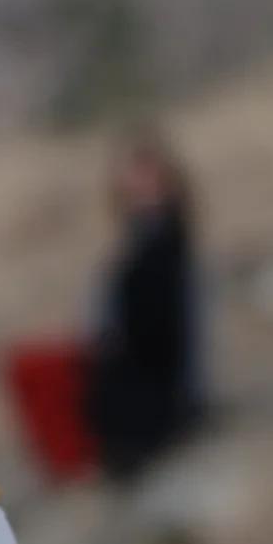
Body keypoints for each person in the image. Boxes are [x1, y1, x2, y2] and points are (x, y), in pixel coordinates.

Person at [85, 127, 206, 481]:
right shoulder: (135, 240)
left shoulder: (170, 245)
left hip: (154, 383)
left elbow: (182, 328)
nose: (140, 185)